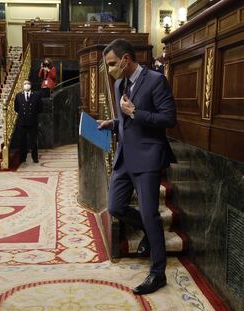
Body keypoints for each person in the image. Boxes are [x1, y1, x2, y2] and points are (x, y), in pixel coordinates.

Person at [97, 38, 176, 295]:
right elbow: (125, 119)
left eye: (111, 64)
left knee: (151, 213)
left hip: (148, 158)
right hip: (124, 157)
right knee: (116, 206)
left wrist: (135, 113)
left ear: (126, 60)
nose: (110, 69)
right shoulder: (120, 83)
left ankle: (158, 273)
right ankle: (146, 231)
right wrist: (113, 123)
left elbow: (168, 118)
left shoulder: (155, 80)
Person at [14, 80, 43, 163]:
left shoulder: (36, 95)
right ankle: (22, 158)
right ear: (22, 86)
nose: (26, 85)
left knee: (33, 141)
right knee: (22, 141)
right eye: (25, 84)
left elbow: (40, 108)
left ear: (31, 85)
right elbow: (16, 108)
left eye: (28, 83)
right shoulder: (18, 95)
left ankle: (35, 157)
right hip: (22, 122)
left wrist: (33, 114)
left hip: (33, 121)